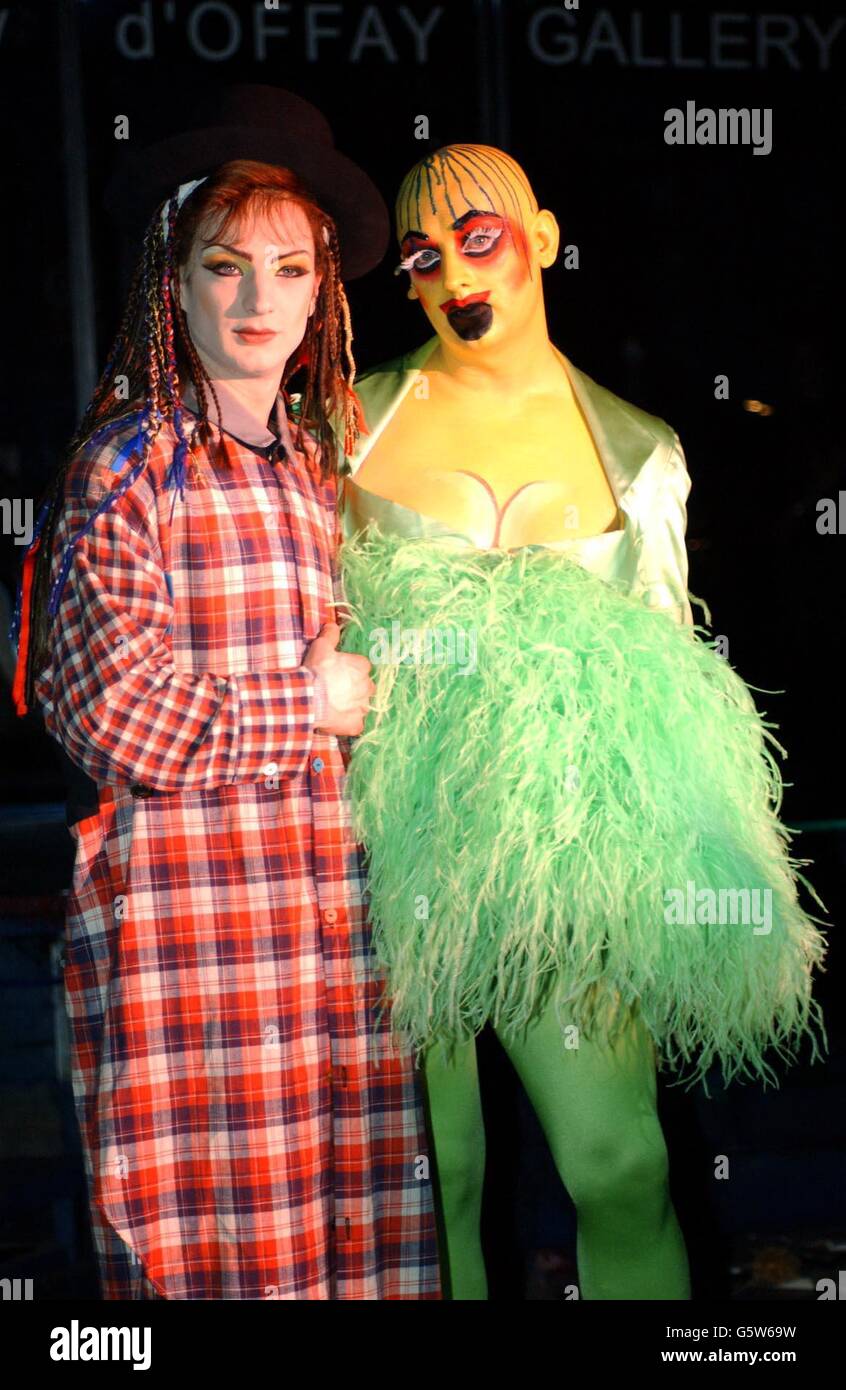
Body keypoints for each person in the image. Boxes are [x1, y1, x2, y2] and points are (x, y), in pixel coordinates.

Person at [336, 144, 828, 1300]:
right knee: (430, 1174)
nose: (455, 272)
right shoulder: (344, 424)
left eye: (480, 237)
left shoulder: (641, 452)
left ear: (544, 238)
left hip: (551, 863)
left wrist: (682, 886)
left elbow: (667, 689)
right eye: (421, 255)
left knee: (619, 1162)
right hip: (370, 857)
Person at [9, 86, 441, 1301]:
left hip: (340, 964)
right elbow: (105, 706)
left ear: (321, 291)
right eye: (225, 265)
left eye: (287, 269)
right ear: (173, 277)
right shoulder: (128, 461)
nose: (257, 300)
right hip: (191, 968)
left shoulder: (325, 469)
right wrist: (302, 705)